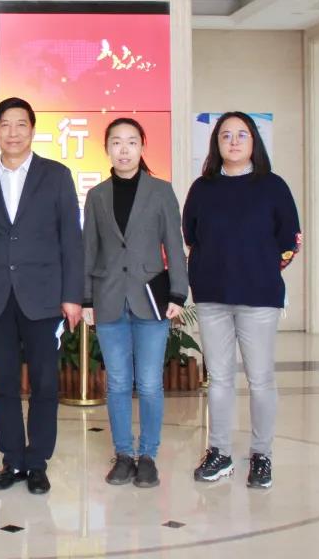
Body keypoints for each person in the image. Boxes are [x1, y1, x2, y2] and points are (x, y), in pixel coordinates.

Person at [0, 97, 84, 495]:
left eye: (20, 124)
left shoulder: (57, 175)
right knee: (3, 383)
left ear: (32, 129)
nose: (12, 132)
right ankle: (12, 459)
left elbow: (71, 240)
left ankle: (38, 462)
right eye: (5, 125)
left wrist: (73, 295)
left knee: (45, 383)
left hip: (44, 296)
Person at [183, 111, 301, 490]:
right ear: (216, 143)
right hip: (212, 298)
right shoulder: (202, 188)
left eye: (242, 135)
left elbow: (290, 241)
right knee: (218, 379)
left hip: (259, 297)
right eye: (226, 135)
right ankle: (219, 452)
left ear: (254, 142)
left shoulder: (273, 187)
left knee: (260, 379)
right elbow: (190, 236)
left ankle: (262, 455)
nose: (233, 142)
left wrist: (261, 270)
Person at [81, 117, 188, 489]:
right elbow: (88, 249)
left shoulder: (161, 191)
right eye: (116, 142)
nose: (123, 149)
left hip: (151, 299)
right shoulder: (97, 196)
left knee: (150, 382)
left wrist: (178, 293)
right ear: (107, 148)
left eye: (131, 142)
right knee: (117, 382)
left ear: (142, 147)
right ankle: (124, 454)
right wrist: (86, 299)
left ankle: (149, 456)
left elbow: (173, 244)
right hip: (108, 298)